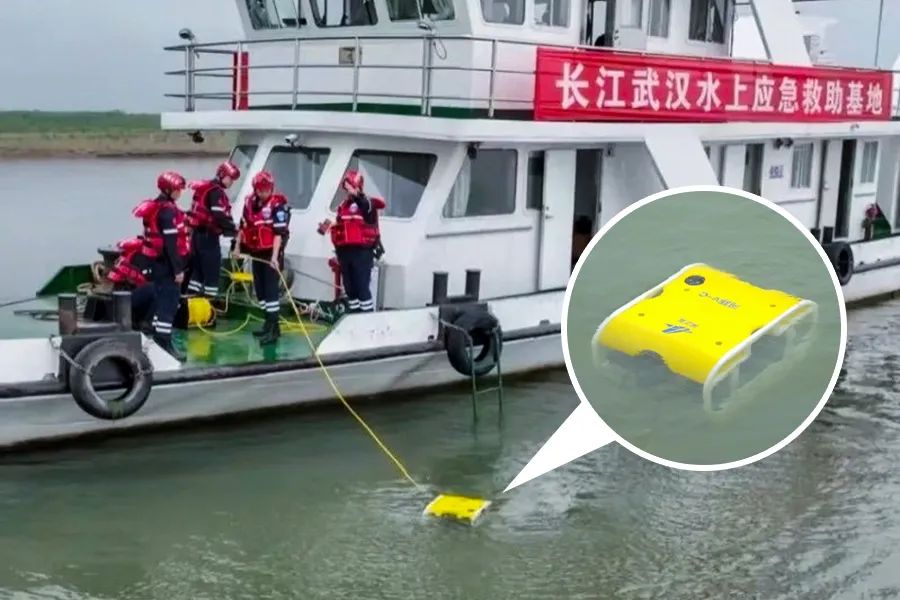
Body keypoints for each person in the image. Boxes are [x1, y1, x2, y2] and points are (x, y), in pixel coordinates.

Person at [133, 171, 191, 360]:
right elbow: (170, 244)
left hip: (156, 264)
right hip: (167, 266)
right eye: (177, 189)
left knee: (161, 301)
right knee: (169, 304)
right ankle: (164, 343)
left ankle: (159, 338)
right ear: (168, 190)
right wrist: (178, 270)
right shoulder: (167, 212)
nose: (180, 193)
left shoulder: (156, 207)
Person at [234, 170, 290, 345]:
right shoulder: (249, 203)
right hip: (256, 252)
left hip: (271, 253)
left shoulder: (277, 206)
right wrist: (237, 246)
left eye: (267, 190)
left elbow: (278, 234)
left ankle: (274, 329)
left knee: (271, 291)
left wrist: (274, 257)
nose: (264, 193)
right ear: (256, 189)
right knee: (260, 291)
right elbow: (243, 226)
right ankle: (268, 324)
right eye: (261, 190)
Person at [318, 169, 385, 313]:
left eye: (350, 186)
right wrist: (329, 227)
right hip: (345, 252)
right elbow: (341, 224)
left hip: (362, 252)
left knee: (362, 288)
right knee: (349, 288)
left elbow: (365, 206)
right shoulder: (344, 205)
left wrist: (356, 194)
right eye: (346, 187)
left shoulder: (367, 203)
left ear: (358, 186)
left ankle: (367, 318)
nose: (347, 190)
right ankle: (354, 315)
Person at [185, 161, 240, 299]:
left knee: (197, 273)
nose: (231, 182)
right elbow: (219, 215)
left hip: (196, 236)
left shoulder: (204, 188)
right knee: (212, 274)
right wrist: (234, 229)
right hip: (208, 238)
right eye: (230, 178)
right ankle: (210, 305)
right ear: (222, 175)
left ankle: (190, 303)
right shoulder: (216, 192)